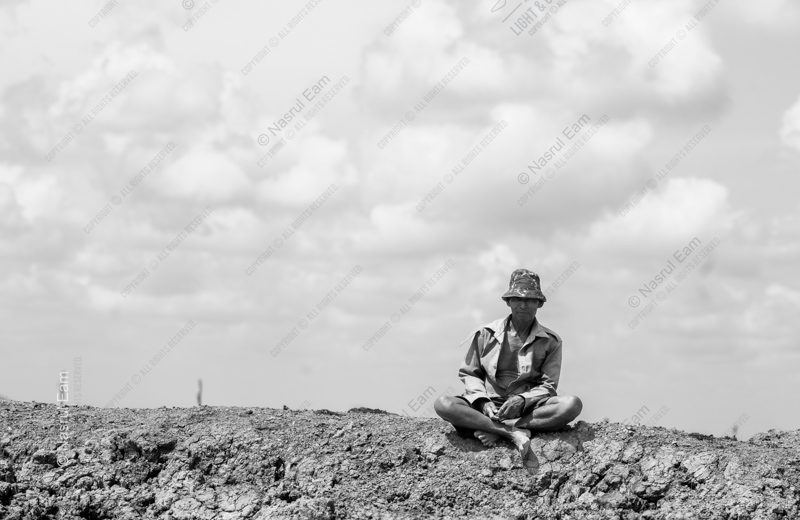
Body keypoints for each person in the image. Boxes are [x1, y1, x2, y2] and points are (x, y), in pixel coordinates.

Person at [434, 268, 582, 459]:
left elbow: (548, 386)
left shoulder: (551, 341)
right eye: (517, 299)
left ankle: (504, 427)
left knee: (571, 404)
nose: (523, 305)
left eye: (530, 300)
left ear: (539, 303)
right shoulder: (486, 334)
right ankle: (509, 432)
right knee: (444, 404)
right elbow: (470, 373)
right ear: (508, 301)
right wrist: (482, 401)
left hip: (528, 408)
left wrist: (522, 400)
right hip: (488, 406)